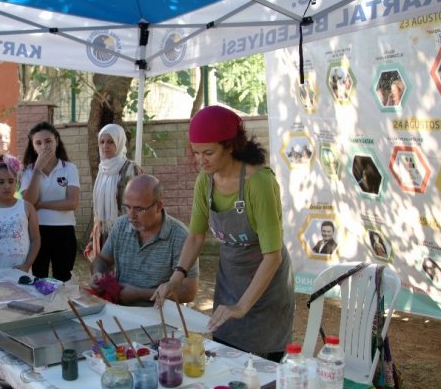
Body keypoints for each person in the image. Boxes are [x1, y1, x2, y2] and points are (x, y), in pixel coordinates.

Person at [155, 106, 295, 362]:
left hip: (266, 288)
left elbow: (272, 256)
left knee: (260, 368)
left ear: (230, 146)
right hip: (230, 282)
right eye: (196, 153)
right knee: (226, 357)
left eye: (208, 152)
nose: (201, 160)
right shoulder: (205, 181)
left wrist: (242, 306)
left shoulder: (259, 182)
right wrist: (177, 276)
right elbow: (196, 236)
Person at [90, 174, 197, 306]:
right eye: (127, 207)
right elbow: (103, 260)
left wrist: (139, 294)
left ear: (158, 206)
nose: (131, 215)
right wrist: (98, 274)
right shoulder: (121, 225)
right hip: (120, 309)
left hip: (161, 315)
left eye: (139, 209)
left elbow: (188, 292)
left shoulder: (180, 236)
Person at [21, 122, 80, 282]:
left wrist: (42, 204)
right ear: (33, 147)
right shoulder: (28, 171)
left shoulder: (69, 168)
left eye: (48, 141)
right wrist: (37, 170)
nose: (44, 146)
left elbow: (72, 203)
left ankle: (63, 306)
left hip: (64, 231)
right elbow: (28, 203)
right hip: (37, 231)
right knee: (38, 276)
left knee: (63, 277)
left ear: (56, 141)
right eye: (38, 143)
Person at [87, 123, 142, 261]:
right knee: (105, 277)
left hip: (127, 231)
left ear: (119, 142)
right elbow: (97, 210)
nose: (105, 146)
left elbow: (141, 201)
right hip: (104, 233)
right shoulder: (102, 170)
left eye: (111, 142)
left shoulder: (131, 169)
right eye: (102, 142)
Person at [0, 161, 40, 270]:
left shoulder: (27, 208)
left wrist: (27, 265)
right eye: (1, 182)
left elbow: (35, 240)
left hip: (20, 268)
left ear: (16, 183)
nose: (7, 186)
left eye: (10, 181)